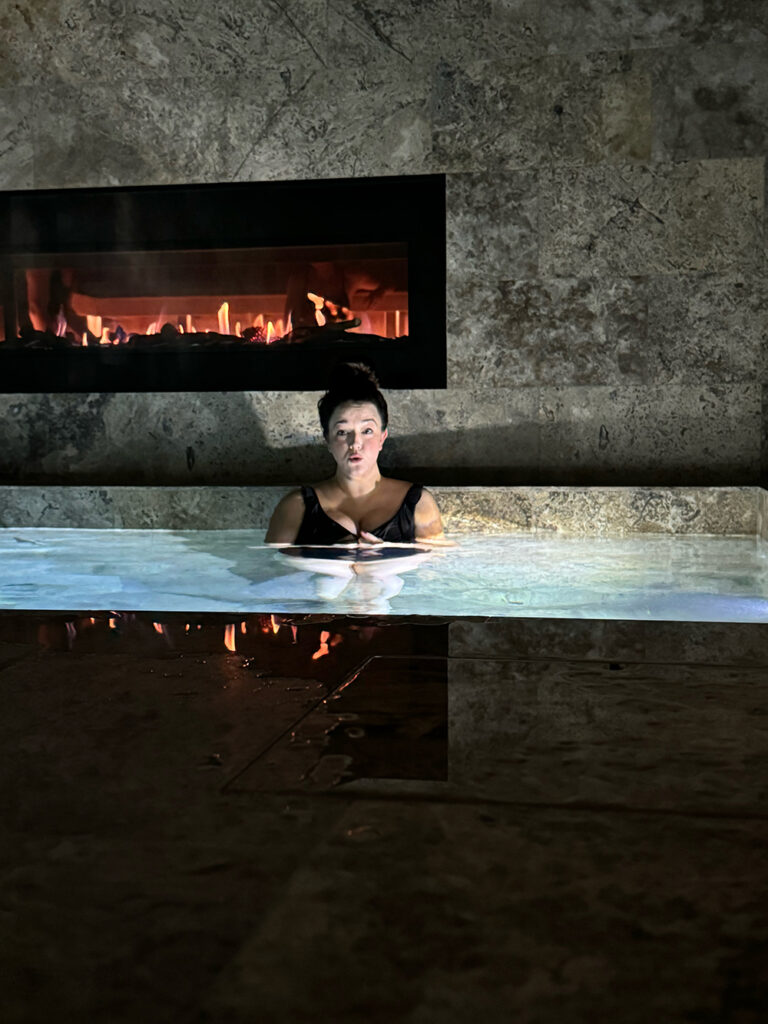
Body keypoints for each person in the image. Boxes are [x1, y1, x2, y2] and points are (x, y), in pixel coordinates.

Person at [266, 362, 449, 546]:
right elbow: (269, 569)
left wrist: (389, 558)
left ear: (382, 437)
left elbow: (437, 567)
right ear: (327, 439)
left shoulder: (418, 504)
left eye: (367, 431)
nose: (355, 444)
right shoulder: (296, 507)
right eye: (343, 432)